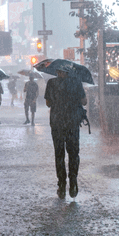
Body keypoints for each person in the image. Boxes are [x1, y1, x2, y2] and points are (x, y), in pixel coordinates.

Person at [44, 69, 87, 199]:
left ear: (57, 71)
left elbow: (48, 103)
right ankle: (73, 181)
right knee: (73, 153)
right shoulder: (76, 82)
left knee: (59, 154)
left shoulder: (51, 83)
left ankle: (62, 185)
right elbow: (84, 101)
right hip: (72, 123)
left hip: (57, 123)